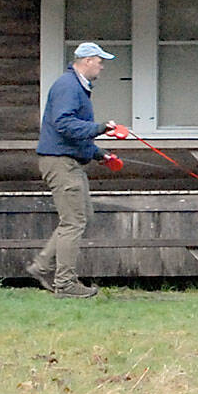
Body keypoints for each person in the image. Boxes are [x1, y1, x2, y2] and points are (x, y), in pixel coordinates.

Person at [26, 42, 125, 297]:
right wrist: (101, 128)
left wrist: (99, 154)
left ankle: (43, 266)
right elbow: (64, 124)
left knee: (80, 218)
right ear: (88, 60)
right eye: (100, 61)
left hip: (67, 160)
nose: (102, 66)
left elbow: (73, 133)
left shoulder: (77, 87)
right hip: (61, 163)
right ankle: (65, 284)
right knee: (73, 222)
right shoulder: (68, 86)